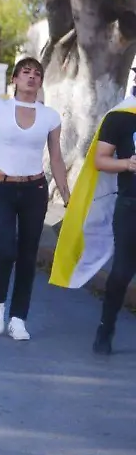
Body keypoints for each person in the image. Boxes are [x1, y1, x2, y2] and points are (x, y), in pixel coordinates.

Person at [0, 50, 69, 341]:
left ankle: (18, 318)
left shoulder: (50, 116)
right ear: (15, 79)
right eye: (26, 72)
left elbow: (56, 158)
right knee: (8, 249)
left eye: (37, 73)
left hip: (35, 189)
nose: (32, 76)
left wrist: (67, 195)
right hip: (2, 188)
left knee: (28, 255)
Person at [90, 100, 136, 355]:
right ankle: (105, 329)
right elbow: (100, 160)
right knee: (121, 272)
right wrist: (127, 164)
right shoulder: (121, 117)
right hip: (132, 205)